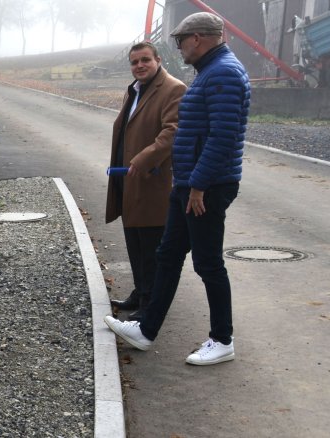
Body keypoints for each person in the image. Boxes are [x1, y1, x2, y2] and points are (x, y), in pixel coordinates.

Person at [104, 11, 250, 366]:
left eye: (181, 42)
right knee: (167, 256)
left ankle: (222, 339)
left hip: (206, 186)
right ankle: (146, 328)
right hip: (189, 184)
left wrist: (198, 185)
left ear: (197, 38)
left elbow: (222, 138)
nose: (180, 49)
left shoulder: (223, 75)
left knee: (208, 264)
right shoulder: (210, 72)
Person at [106, 42, 186, 322]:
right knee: (135, 241)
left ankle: (150, 304)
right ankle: (140, 293)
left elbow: (173, 132)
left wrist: (143, 158)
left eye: (144, 60)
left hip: (152, 180)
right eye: (134, 62)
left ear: (158, 60)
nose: (139, 66)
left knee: (151, 245)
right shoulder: (136, 89)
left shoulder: (173, 89)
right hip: (128, 179)